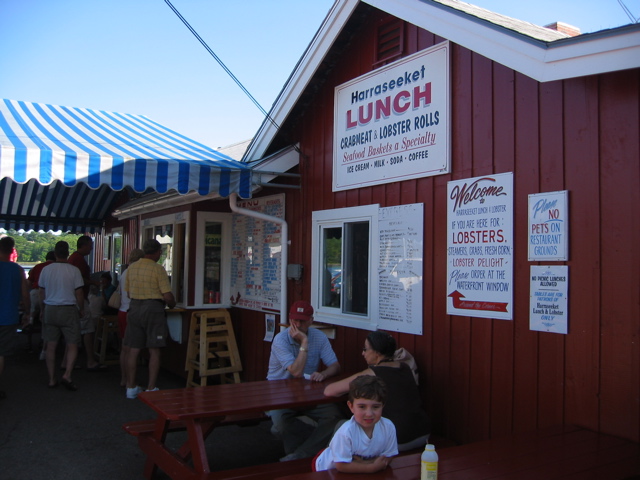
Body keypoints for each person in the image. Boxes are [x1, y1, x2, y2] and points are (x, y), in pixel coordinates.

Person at [324, 330, 430, 451]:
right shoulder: (405, 367)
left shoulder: (373, 373)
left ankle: (327, 463)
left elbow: (329, 391)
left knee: (342, 425)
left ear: (377, 353)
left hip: (397, 439)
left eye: (365, 349)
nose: (362, 353)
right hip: (423, 434)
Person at [267, 300, 342, 461]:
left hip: (307, 392)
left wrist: (324, 374)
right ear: (289, 319)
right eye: (295, 320)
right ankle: (300, 453)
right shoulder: (280, 340)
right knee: (281, 426)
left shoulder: (320, 337)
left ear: (310, 320)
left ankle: (300, 454)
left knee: (334, 416)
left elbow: (335, 365)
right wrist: (305, 342)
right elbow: (296, 371)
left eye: (302, 320)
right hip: (279, 393)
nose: (298, 324)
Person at [124, 239, 176, 399]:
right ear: (158, 252)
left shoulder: (131, 268)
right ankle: (151, 387)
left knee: (134, 349)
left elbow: (127, 293)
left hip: (134, 307)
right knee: (154, 349)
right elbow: (167, 295)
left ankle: (131, 387)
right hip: (153, 308)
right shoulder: (158, 269)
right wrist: (172, 304)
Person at [314, 375, 398, 472]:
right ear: (351, 407)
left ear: (382, 406)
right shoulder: (346, 432)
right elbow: (341, 465)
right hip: (327, 469)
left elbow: (390, 455)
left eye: (375, 407)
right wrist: (370, 467)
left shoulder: (388, 427)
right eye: (362, 407)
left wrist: (365, 463)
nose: (369, 414)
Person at [39, 241, 85, 391]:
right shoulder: (74, 271)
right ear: (67, 252)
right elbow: (79, 293)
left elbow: (42, 292)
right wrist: (81, 309)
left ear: (55, 253)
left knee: (51, 345)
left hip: (50, 308)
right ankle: (67, 374)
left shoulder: (46, 270)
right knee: (72, 344)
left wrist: (42, 309)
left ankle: (52, 378)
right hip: (68, 308)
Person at [67, 235, 105, 371]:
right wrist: (94, 282)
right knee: (88, 329)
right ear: (83, 245)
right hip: (80, 298)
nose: (91, 248)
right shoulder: (79, 260)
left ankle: (67, 361)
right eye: (90, 246)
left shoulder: (73, 258)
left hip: (74, 298)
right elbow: (80, 280)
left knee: (72, 330)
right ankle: (90, 360)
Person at [0, 236, 30, 399]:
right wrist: (28, 312)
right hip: (7, 317)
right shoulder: (17, 270)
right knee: (1, 353)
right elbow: (25, 295)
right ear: (12, 250)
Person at [116, 248, 144, 388]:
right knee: (133, 349)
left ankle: (123, 378)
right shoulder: (137, 272)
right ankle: (131, 381)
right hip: (132, 312)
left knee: (124, 348)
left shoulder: (124, 273)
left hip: (122, 311)